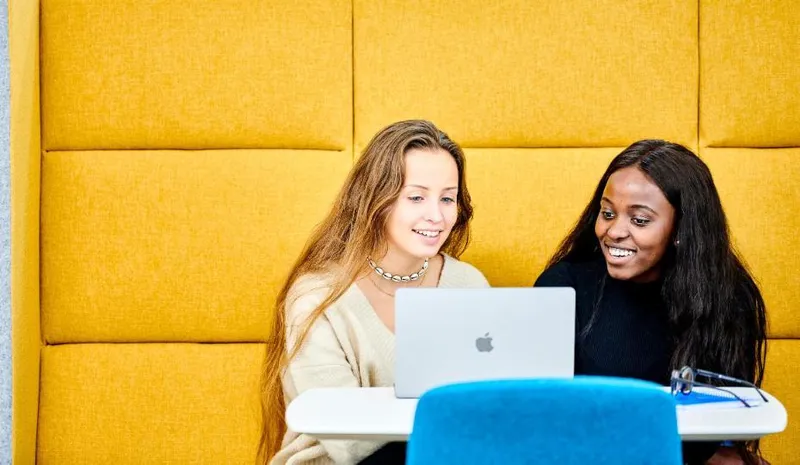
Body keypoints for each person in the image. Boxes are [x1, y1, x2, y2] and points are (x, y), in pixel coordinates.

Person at [258, 120, 490, 465]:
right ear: (376, 200)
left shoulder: (468, 285)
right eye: (416, 197)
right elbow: (347, 440)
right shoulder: (316, 296)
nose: (437, 216)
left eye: (448, 199)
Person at [534, 139, 768, 465]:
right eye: (607, 213)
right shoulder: (564, 286)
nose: (614, 231)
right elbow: (539, 414)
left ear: (681, 229)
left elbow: (722, 432)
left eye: (639, 220)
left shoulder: (727, 295)